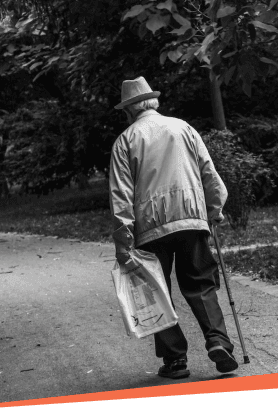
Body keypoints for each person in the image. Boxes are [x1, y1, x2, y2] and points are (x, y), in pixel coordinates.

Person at [109, 76, 238, 380]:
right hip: (191, 219)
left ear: (129, 110)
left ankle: (175, 360)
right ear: (153, 101)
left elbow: (121, 196)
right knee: (200, 283)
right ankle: (218, 342)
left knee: (157, 291)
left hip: (149, 228)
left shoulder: (125, 140)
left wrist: (123, 241)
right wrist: (214, 210)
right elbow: (209, 171)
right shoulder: (183, 128)